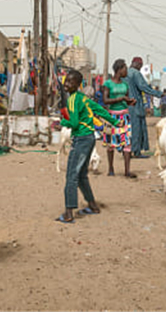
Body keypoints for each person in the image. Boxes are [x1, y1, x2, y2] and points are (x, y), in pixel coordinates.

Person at [56, 69, 119, 224]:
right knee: (82, 174)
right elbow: (99, 110)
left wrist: (61, 123)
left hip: (81, 139)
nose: (66, 84)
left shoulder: (72, 100)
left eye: (70, 82)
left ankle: (69, 212)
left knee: (71, 175)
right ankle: (92, 206)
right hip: (90, 138)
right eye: (66, 80)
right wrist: (115, 122)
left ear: (77, 85)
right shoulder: (83, 98)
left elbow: (74, 123)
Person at [101, 59, 136, 178]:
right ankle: (111, 168)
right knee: (111, 143)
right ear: (119, 69)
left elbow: (126, 99)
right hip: (112, 116)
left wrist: (131, 102)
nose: (126, 71)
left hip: (124, 115)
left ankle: (127, 171)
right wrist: (121, 99)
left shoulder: (125, 84)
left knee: (127, 142)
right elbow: (105, 100)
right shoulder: (108, 84)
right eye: (125, 69)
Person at [126, 56, 163, 159]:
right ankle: (136, 151)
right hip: (135, 105)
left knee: (127, 129)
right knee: (137, 128)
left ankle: (127, 150)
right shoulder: (136, 73)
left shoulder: (124, 74)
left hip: (125, 105)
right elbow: (143, 87)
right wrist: (157, 93)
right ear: (138, 65)